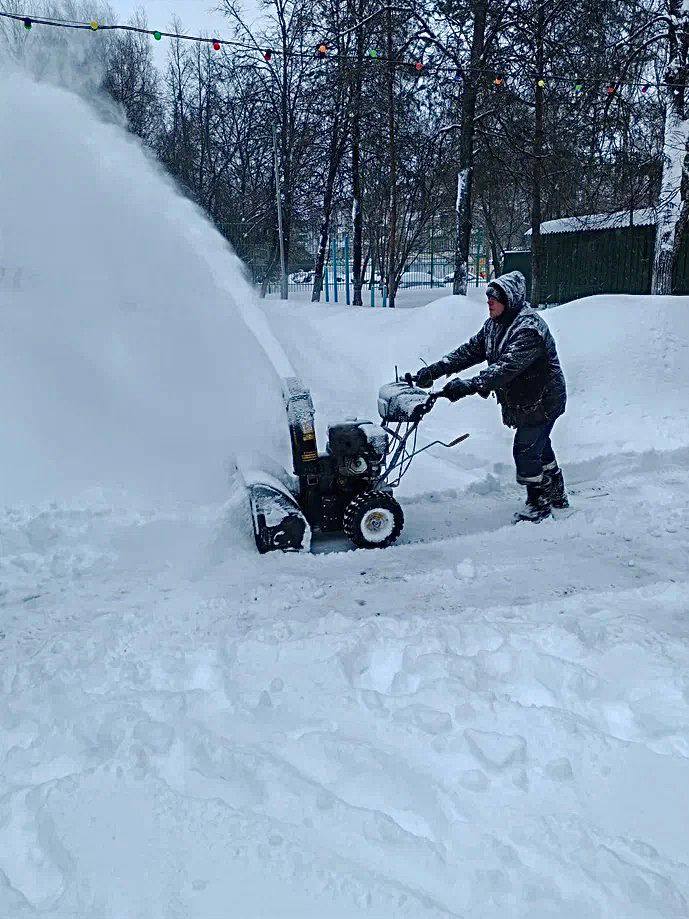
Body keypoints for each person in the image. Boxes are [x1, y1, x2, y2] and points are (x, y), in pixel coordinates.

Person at [408, 270, 568, 522]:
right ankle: (557, 493)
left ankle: (538, 503)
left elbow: (505, 369)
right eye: (488, 296)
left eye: (495, 297)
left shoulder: (529, 329)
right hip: (525, 400)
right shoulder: (494, 325)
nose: (489, 301)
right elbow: (470, 351)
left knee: (526, 449)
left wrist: (468, 385)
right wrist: (436, 369)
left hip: (544, 399)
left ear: (511, 299)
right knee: (539, 445)